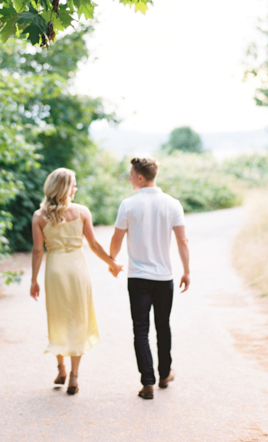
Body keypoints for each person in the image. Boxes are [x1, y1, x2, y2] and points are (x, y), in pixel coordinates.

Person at [30, 168, 122, 395]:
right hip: (77, 270)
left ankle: (61, 367)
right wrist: (112, 263)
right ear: (65, 188)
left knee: (58, 318)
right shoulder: (81, 212)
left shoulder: (39, 217)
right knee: (77, 319)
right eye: (74, 185)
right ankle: (74, 376)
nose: (76, 188)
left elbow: (37, 251)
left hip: (55, 271)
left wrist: (34, 280)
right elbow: (94, 244)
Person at [110, 156, 190, 400]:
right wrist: (186, 270)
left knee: (141, 330)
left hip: (138, 278)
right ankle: (165, 374)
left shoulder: (128, 205)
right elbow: (182, 240)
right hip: (164, 278)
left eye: (132, 174)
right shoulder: (173, 204)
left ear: (141, 177)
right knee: (163, 326)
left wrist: (112, 260)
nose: (130, 178)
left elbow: (116, 239)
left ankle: (147, 383)